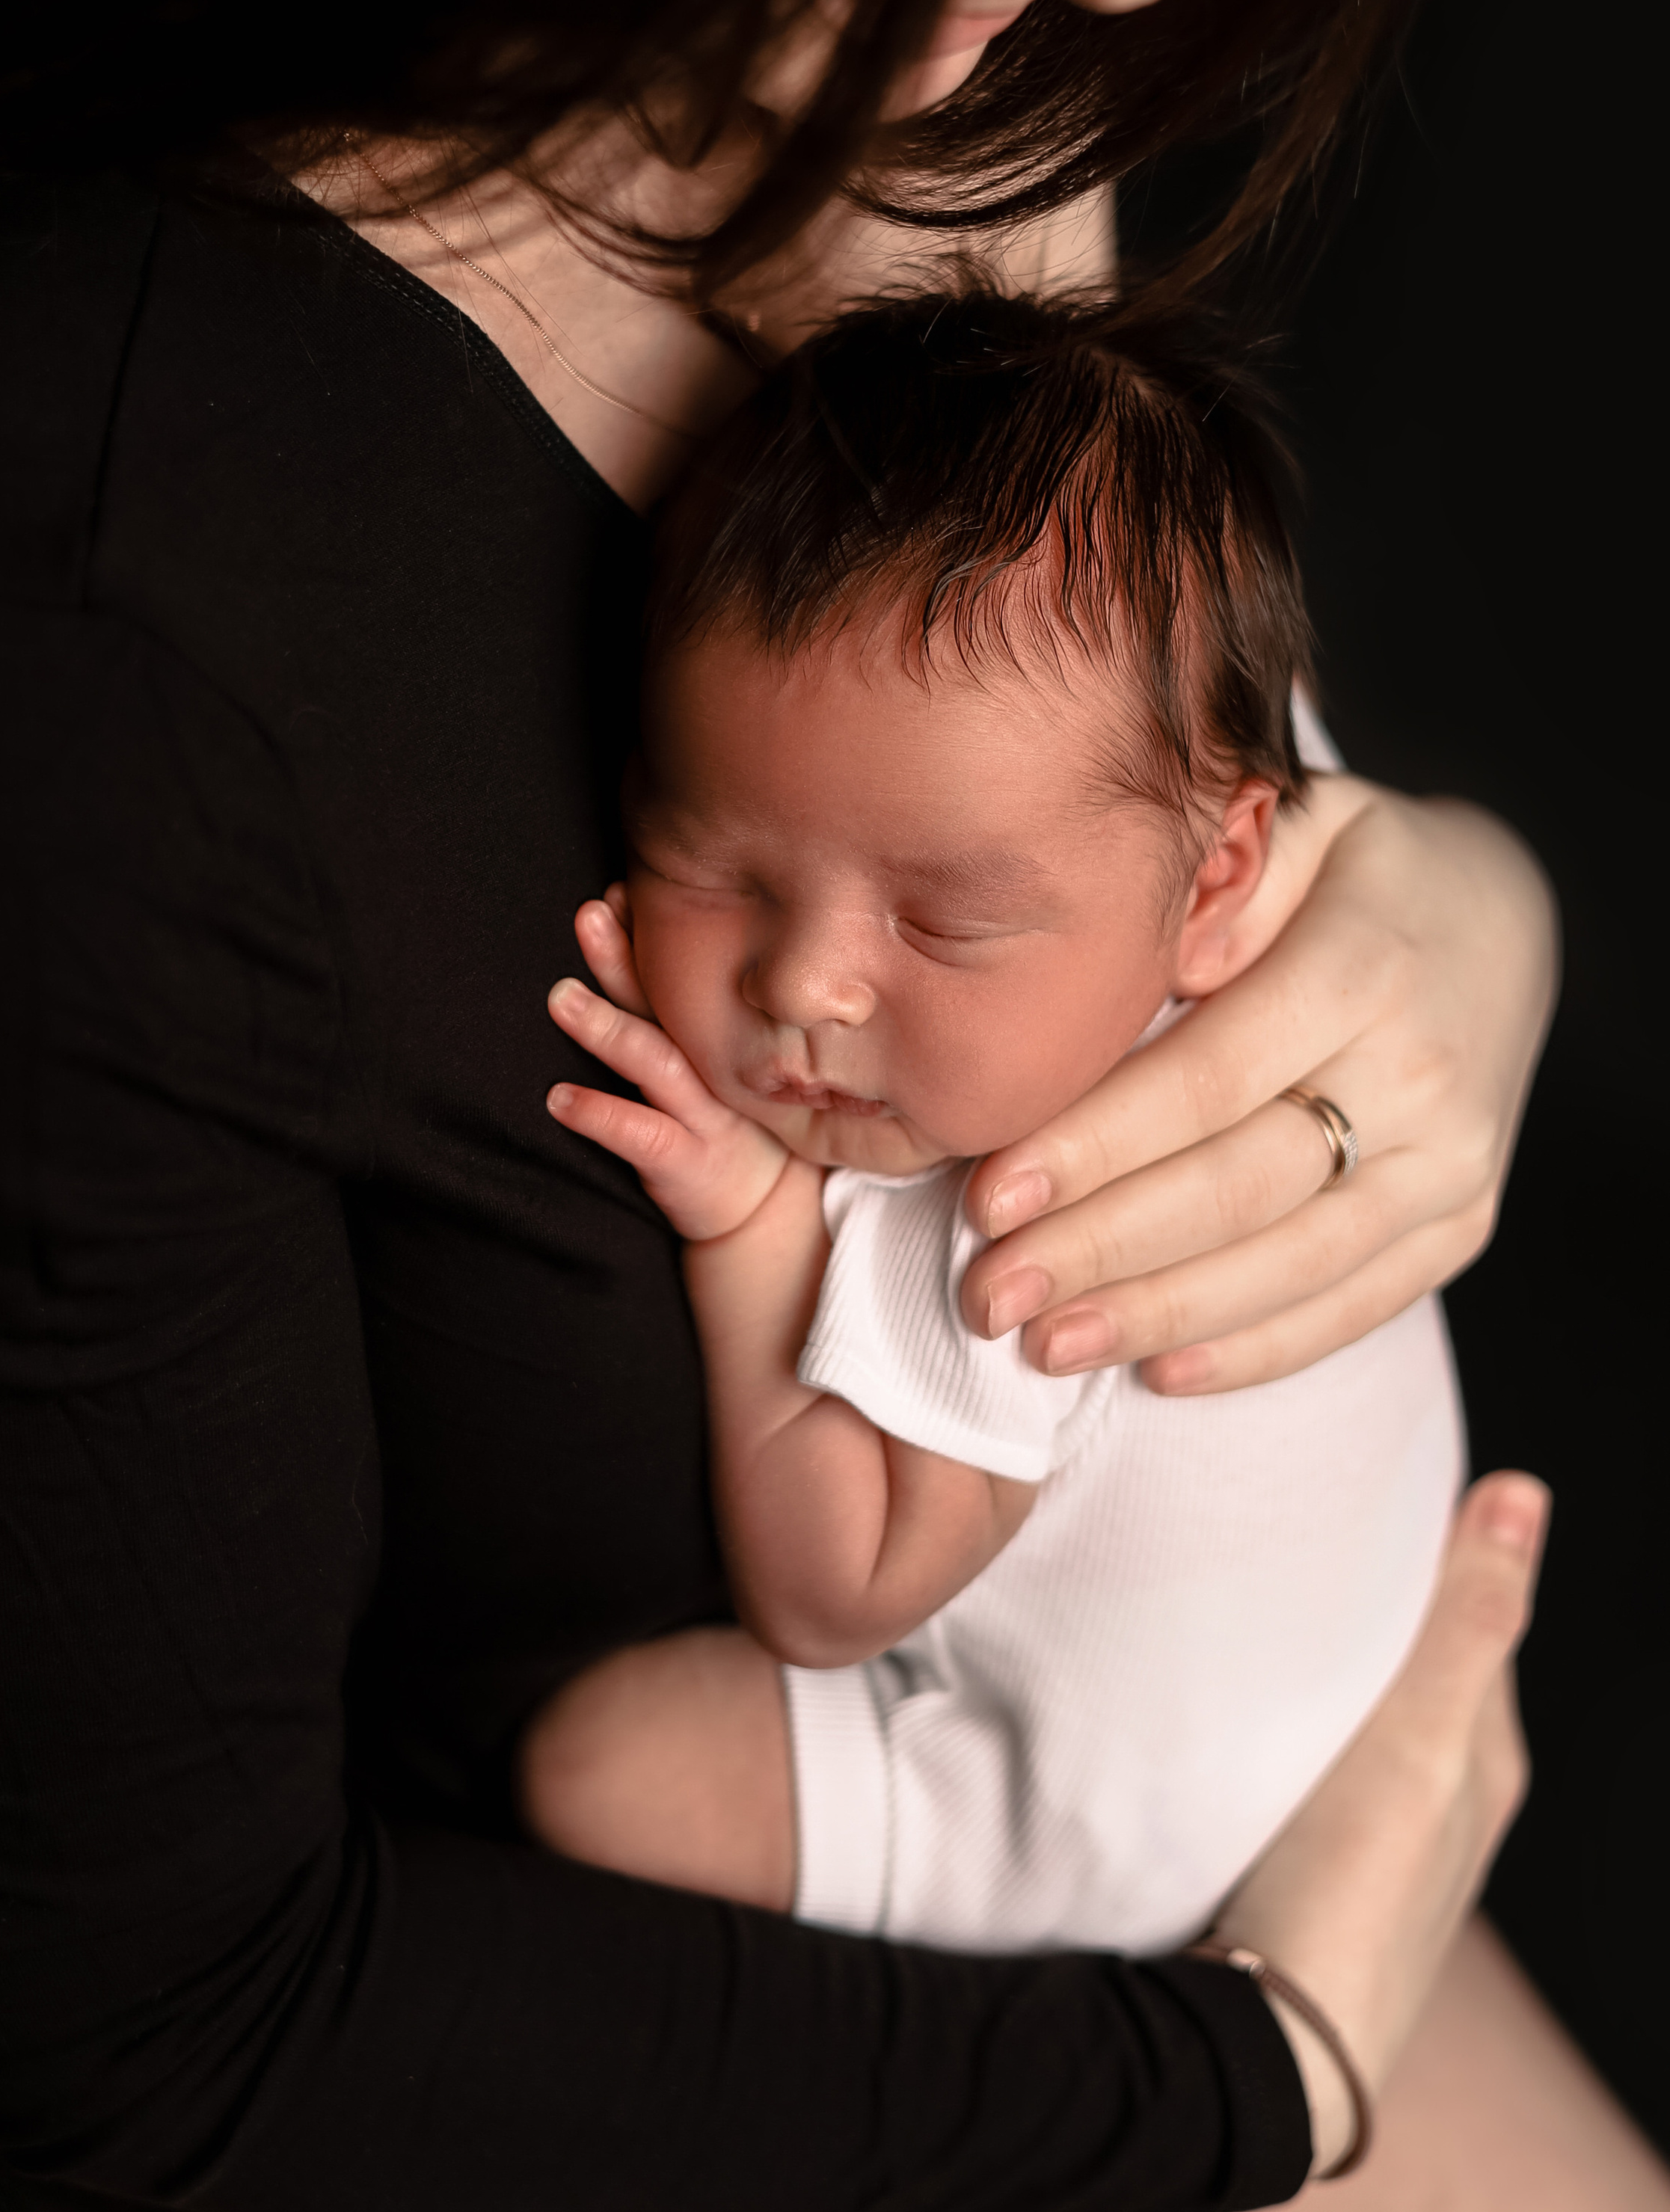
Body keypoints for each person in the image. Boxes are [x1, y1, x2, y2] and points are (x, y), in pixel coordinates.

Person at [0, 0, 1661, 2212]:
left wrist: (1458, 936)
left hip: (1172, 1798)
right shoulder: (59, 587)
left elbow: (1175, 760)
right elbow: (145, 2063)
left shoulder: (938, 75)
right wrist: (1264, 2081)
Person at [519, 293, 1465, 2003]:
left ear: (1218, 882)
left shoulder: (1025, 1199)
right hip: (1334, 1649)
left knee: (599, 1768)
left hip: (1111, 1823)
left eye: (942, 925)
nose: (801, 982)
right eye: (709, 862)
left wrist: (748, 1234)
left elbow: (842, 1589)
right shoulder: (1162, 910)